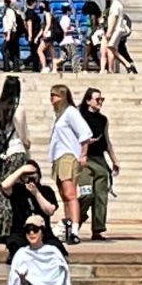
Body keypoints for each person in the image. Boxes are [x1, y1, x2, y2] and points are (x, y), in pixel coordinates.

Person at [0, 76, 32, 242]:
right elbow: (23, 136)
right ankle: (12, 227)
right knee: (14, 191)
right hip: (16, 152)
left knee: (1, 192)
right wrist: (28, 147)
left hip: (1, 155)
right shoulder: (18, 108)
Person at [47, 84, 91, 245]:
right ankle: (67, 225)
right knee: (64, 194)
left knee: (70, 192)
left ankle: (74, 229)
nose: (52, 98)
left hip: (68, 155)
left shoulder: (71, 112)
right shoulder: (58, 115)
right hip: (58, 156)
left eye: (55, 95)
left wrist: (83, 154)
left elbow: (84, 133)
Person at [75, 88, 120, 241]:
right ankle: (77, 219)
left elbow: (107, 142)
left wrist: (114, 161)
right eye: (97, 99)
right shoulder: (79, 116)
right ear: (88, 101)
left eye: (102, 99)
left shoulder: (103, 120)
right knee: (87, 194)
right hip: (84, 159)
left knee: (101, 196)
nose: (100, 102)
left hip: (99, 159)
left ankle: (98, 228)